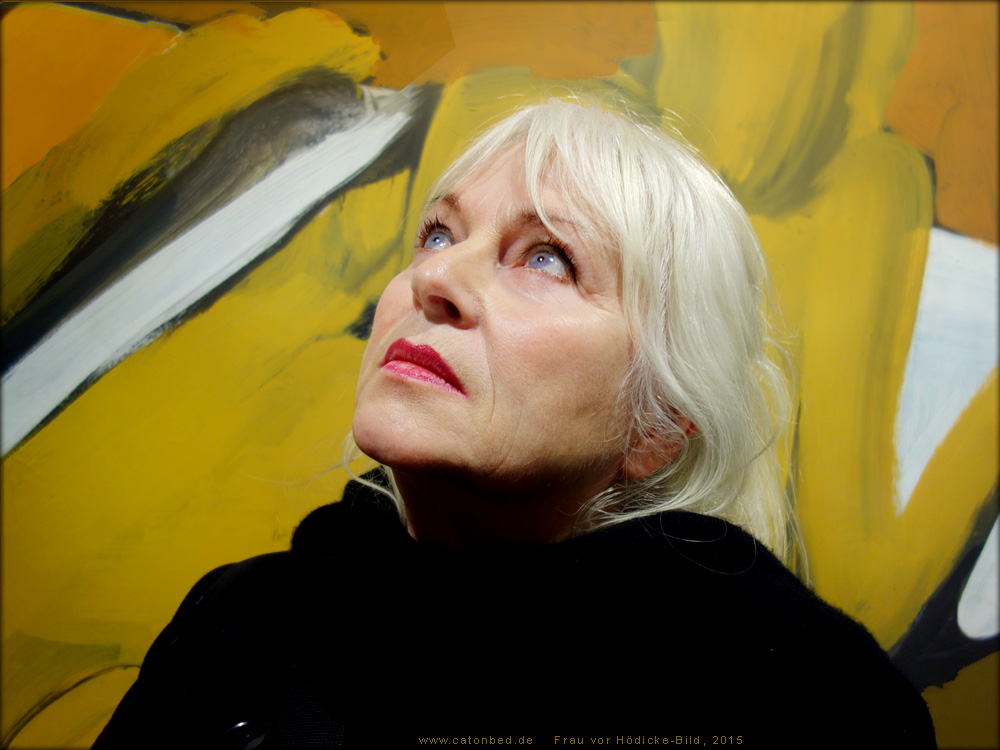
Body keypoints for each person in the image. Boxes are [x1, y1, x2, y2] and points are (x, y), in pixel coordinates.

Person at [94, 99, 936, 748]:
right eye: (437, 234)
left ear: (656, 428)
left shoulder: (804, 702)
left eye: (547, 258)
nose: (435, 280)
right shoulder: (239, 621)